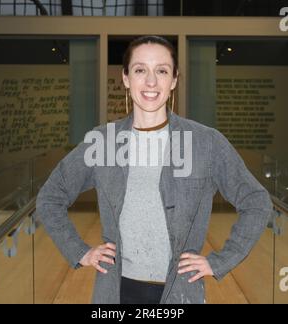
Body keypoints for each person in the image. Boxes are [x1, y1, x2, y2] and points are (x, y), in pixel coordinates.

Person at [36, 35, 272, 304]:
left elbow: (256, 201)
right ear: (126, 78)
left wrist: (219, 261)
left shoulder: (206, 143)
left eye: (161, 70)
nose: (151, 82)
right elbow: (50, 197)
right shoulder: (103, 142)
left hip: (180, 293)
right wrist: (79, 251)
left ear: (173, 80)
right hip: (116, 292)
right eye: (140, 70)